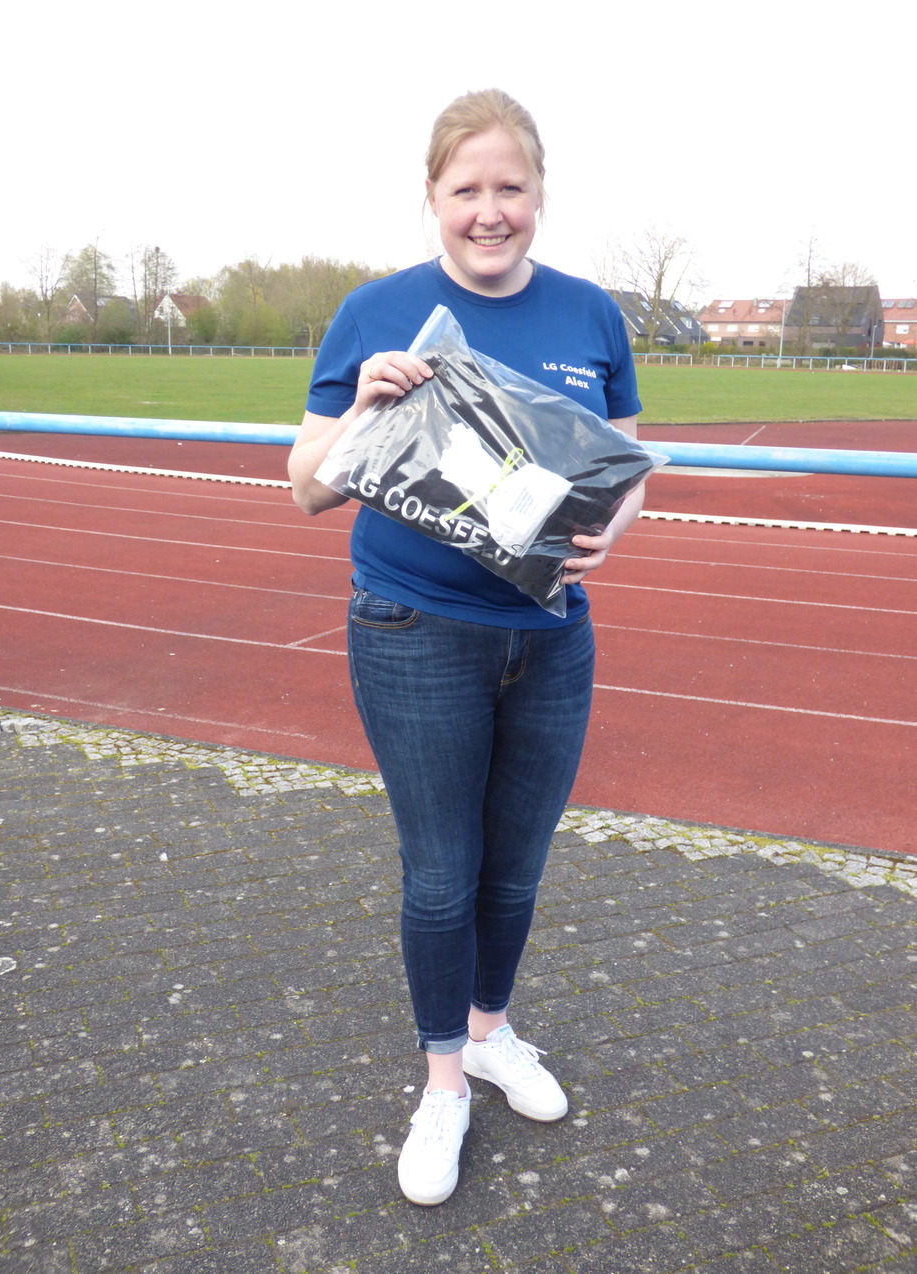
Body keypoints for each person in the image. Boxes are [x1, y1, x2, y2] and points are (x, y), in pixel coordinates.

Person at [289, 88, 644, 1206]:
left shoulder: (591, 314)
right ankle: (443, 1078)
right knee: (442, 875)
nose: (490, 211)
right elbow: (305, 488)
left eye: (510, 188)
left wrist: (612, 533)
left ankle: (490, 1033)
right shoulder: (377, 312)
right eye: (467, 190)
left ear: (538, 194)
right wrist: (366, 407)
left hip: (550, 637)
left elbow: (620, 470)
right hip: (413, 633)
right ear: (433, 198)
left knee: (518, 866)